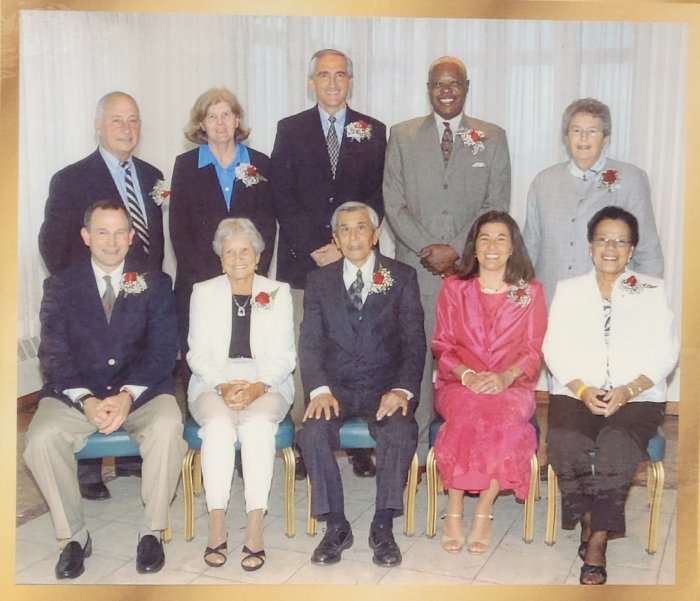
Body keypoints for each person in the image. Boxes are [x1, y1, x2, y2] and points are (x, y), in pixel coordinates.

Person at [24, 200, 186, 579]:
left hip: (141, 392)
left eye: (119, 233)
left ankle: (152, 531)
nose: (111, 242)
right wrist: (86, 400)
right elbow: (53, 355)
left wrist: (126, 396)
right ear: (86, 236)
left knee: (167, 427)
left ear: (131, 237)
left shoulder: (156, 282)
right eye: (102, 232)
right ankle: (74, 538)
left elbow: (164, 350)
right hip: (77, 393)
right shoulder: (60, 285)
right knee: (40, 440)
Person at [38, 91, 165, 501]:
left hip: (140, 298)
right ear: (98, 126)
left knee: (136, 362)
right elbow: (53, 246)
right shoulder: (71, 179)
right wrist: (87, 292)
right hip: (91, 297)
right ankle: (88, 468)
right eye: (116, 120)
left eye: (133, 120)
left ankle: (130, 457)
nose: (127, 128)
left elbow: (153, 243)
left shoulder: (151, 175)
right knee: (91, 368)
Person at [383, 55, 511, 459]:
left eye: (454, 83)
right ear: (428, 89)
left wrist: (456, 248)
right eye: (439, 83)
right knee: (416, 360)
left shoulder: (492, 137)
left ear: (466, 87)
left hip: (471, 272)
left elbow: (496, 203)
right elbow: (393, 201)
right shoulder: (402, 135)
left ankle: (469, 456)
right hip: (416, 271)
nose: (446, 90)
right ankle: (416, 455)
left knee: (472, 362)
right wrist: (428, 249)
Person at [543, 206, 677, 585]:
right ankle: (590, 518)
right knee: (564, 441)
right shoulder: (569, 290)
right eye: (603, 239)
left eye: (620, 241)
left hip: (636, 395)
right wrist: (582, 389)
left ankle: (597, 540)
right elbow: (553, 347)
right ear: (590, 245)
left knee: (617, 442)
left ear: (631, 249)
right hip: (577, 390)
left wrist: (629, 389)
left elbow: (666, 351)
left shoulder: (651, 289)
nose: (610, 248)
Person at [271, 48, 386, 479]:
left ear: (351, 82)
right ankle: (309, 441)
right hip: (304, 261)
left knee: (356, 345)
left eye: (340, 75)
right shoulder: (290, 129)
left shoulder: (372, 130)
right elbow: (282, 195)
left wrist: (346, 246)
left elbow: (377, 196)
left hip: (356, 258)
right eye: (324, 75)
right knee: (311, 347)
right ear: (311, 82)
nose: (333, 83)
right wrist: (317, 246)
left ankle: (356, 442)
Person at [297, 201, 426, 568]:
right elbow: (310, 342)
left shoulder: (402, 276)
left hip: (384, 387)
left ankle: (383, 525)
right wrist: (319, 389)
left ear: (375, 234)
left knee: (400, 430)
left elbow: (414, 342)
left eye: (360, 228)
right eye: (345, 230)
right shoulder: (318, 281)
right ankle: (336, 526)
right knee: (313, 432)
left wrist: (401, 390)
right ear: (336, 239)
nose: (353, 236)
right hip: (335, 388)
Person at [432, 211, 546, 555]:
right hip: (459, 383)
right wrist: (467, 375)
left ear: (512, 248)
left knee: (502, 418)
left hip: (512, 385)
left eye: (501, 239)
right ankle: (454, 506)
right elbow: (442, 345)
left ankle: (484, 508)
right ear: (474, 247)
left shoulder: (530, 292)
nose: (492, 246)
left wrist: (505, 377)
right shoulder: (454, 288)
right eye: (485, 238)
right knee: (468, 412)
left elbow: (533, 349)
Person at [186, 218, 295, 572]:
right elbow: (197, 353)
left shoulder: (278, 292)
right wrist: (223, 385)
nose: (237, 258)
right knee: (218, 428)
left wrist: (259, 386)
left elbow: (285, 356)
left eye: (245, 251)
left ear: (258, 256)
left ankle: (254, 526)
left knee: (257, 427)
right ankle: (217, 523)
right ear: (220, 259)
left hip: (268, 380)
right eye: (229, 252)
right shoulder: (203, 292)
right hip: (212, 380)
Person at [523, 97, 664, 306]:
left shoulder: (631, 179)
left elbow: (647, 250)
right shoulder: (543, 182)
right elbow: (529, 249)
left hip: (610, 302)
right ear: (566, 136)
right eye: (576, 130)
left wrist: (647, 303)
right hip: (551, 302)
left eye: (592, 131)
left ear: (606, 138)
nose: (583, 138)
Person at [169, 88, 276, 362]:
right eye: (212, 116)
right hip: (199, 282)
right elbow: (179, 230)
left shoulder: (260, 163)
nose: (220, 123)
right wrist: (214, 280)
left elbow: (267, 226)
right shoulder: (185, 165)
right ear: (201, 124)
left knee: (249, 354)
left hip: (249, 279)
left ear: (237, 120)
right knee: (205, 357)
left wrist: (249, 275)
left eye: (226, 115)